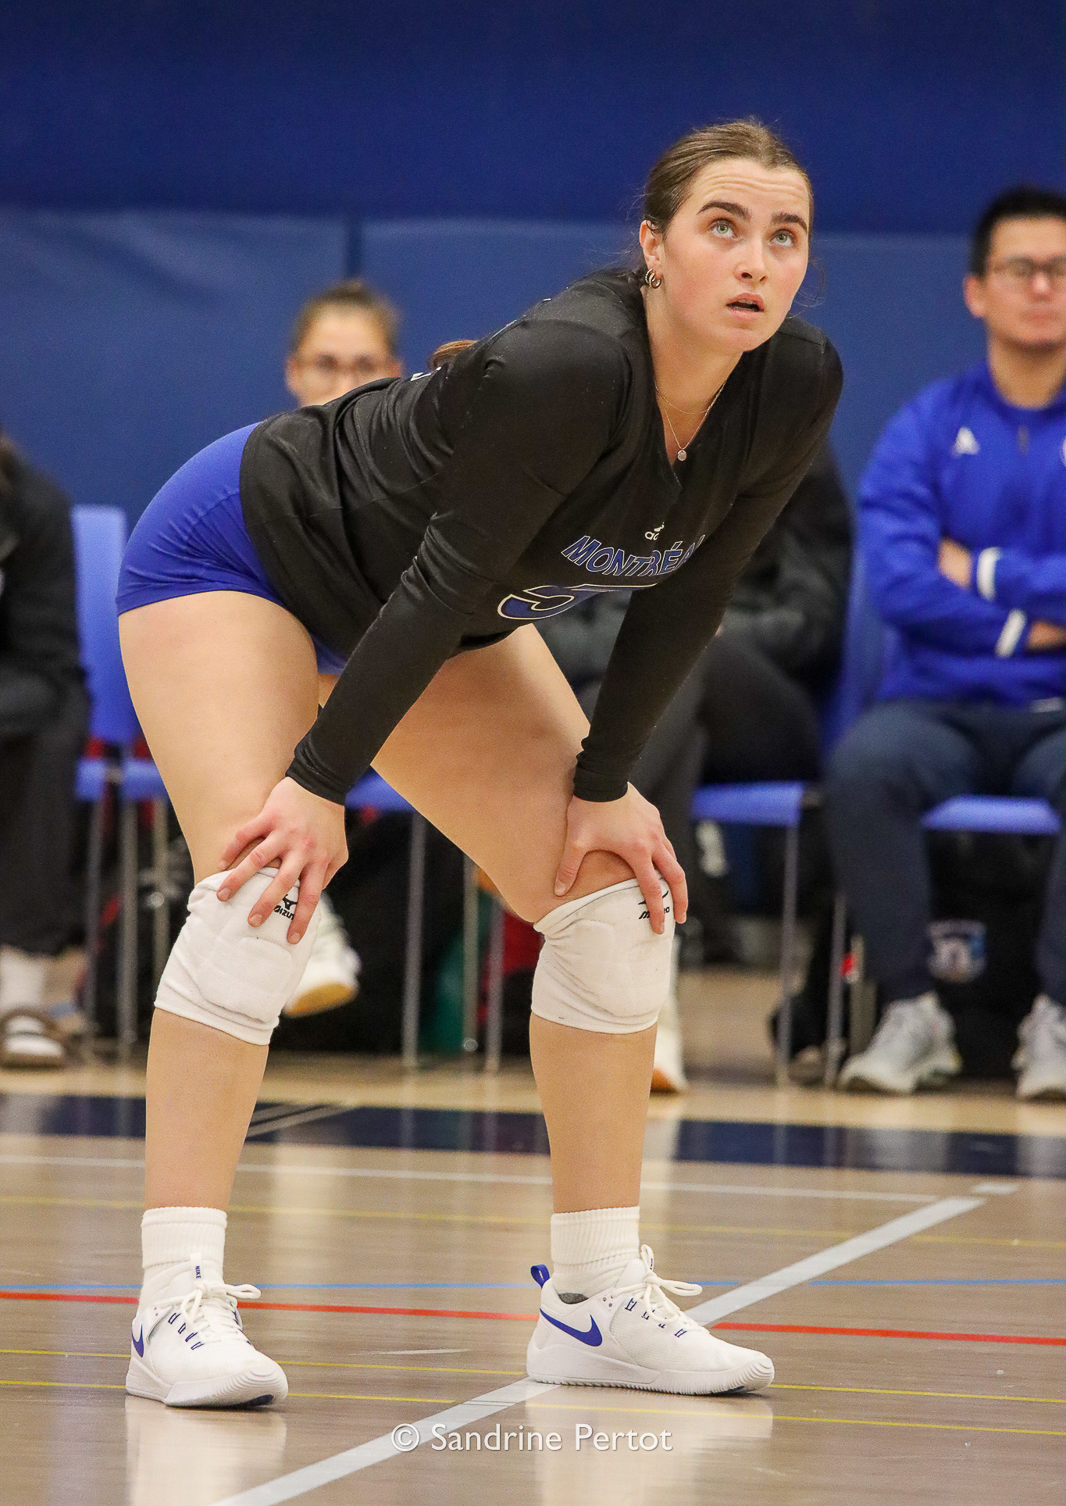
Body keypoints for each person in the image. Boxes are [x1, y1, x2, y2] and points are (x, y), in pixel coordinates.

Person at [116, 118, 840, 1408]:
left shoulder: (792, 385)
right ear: (652, 251)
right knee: (261, 888)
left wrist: (608, 783)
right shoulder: (570, 362)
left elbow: (698, 586)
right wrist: (318, 783)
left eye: (782, 236)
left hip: (434, 618)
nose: (754, 261)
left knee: (615, 899)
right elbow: (440, 575)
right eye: (721, 227)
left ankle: (592, 1302)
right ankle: (172, 1303)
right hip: (244, 552)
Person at [828, 187, 1066, 1099]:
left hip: (1057, 710)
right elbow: (900, 583)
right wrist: (1029, 619)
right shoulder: (927, 426)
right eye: (1020, 268)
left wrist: (989, 575)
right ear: (978, 291)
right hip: (939, 705)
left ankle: (1056, 1017)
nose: (1041, 287)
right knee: (863, 771)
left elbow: (947, 579)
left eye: (1058, 269)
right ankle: (912, 1010)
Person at [542, 444, 851, 1090]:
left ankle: (556, 830)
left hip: (765, 708)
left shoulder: (796, 445)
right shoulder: (623, 438)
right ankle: (654, 995)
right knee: (664, 719)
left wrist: (694, 629)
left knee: (683, 659)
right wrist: (656, 636)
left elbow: (812, 624)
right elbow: (573, 618)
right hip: (656, 704)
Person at [278, 278, 402, 1017]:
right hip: (292, 712)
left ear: (392, 372)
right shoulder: (259, 477)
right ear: (295, 371)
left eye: (362, 367)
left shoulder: (426, 481)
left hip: (411, 712)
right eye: (326, 364)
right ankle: (305, 923)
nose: (343, 383)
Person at [0, 426, 89, 1067]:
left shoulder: (33, 507)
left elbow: (46, 661)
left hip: (25, 682)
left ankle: (19, 995)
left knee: (50, 734)